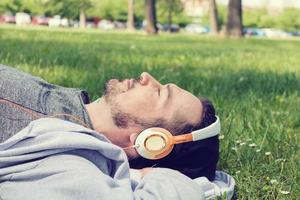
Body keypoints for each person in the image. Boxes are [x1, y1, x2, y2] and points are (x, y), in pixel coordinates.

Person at [0, 64, 220, 199]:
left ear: (152, 143)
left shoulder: (66, 160)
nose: (146, 77)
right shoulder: (68, 108)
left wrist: (159, 177)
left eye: (160, 93)